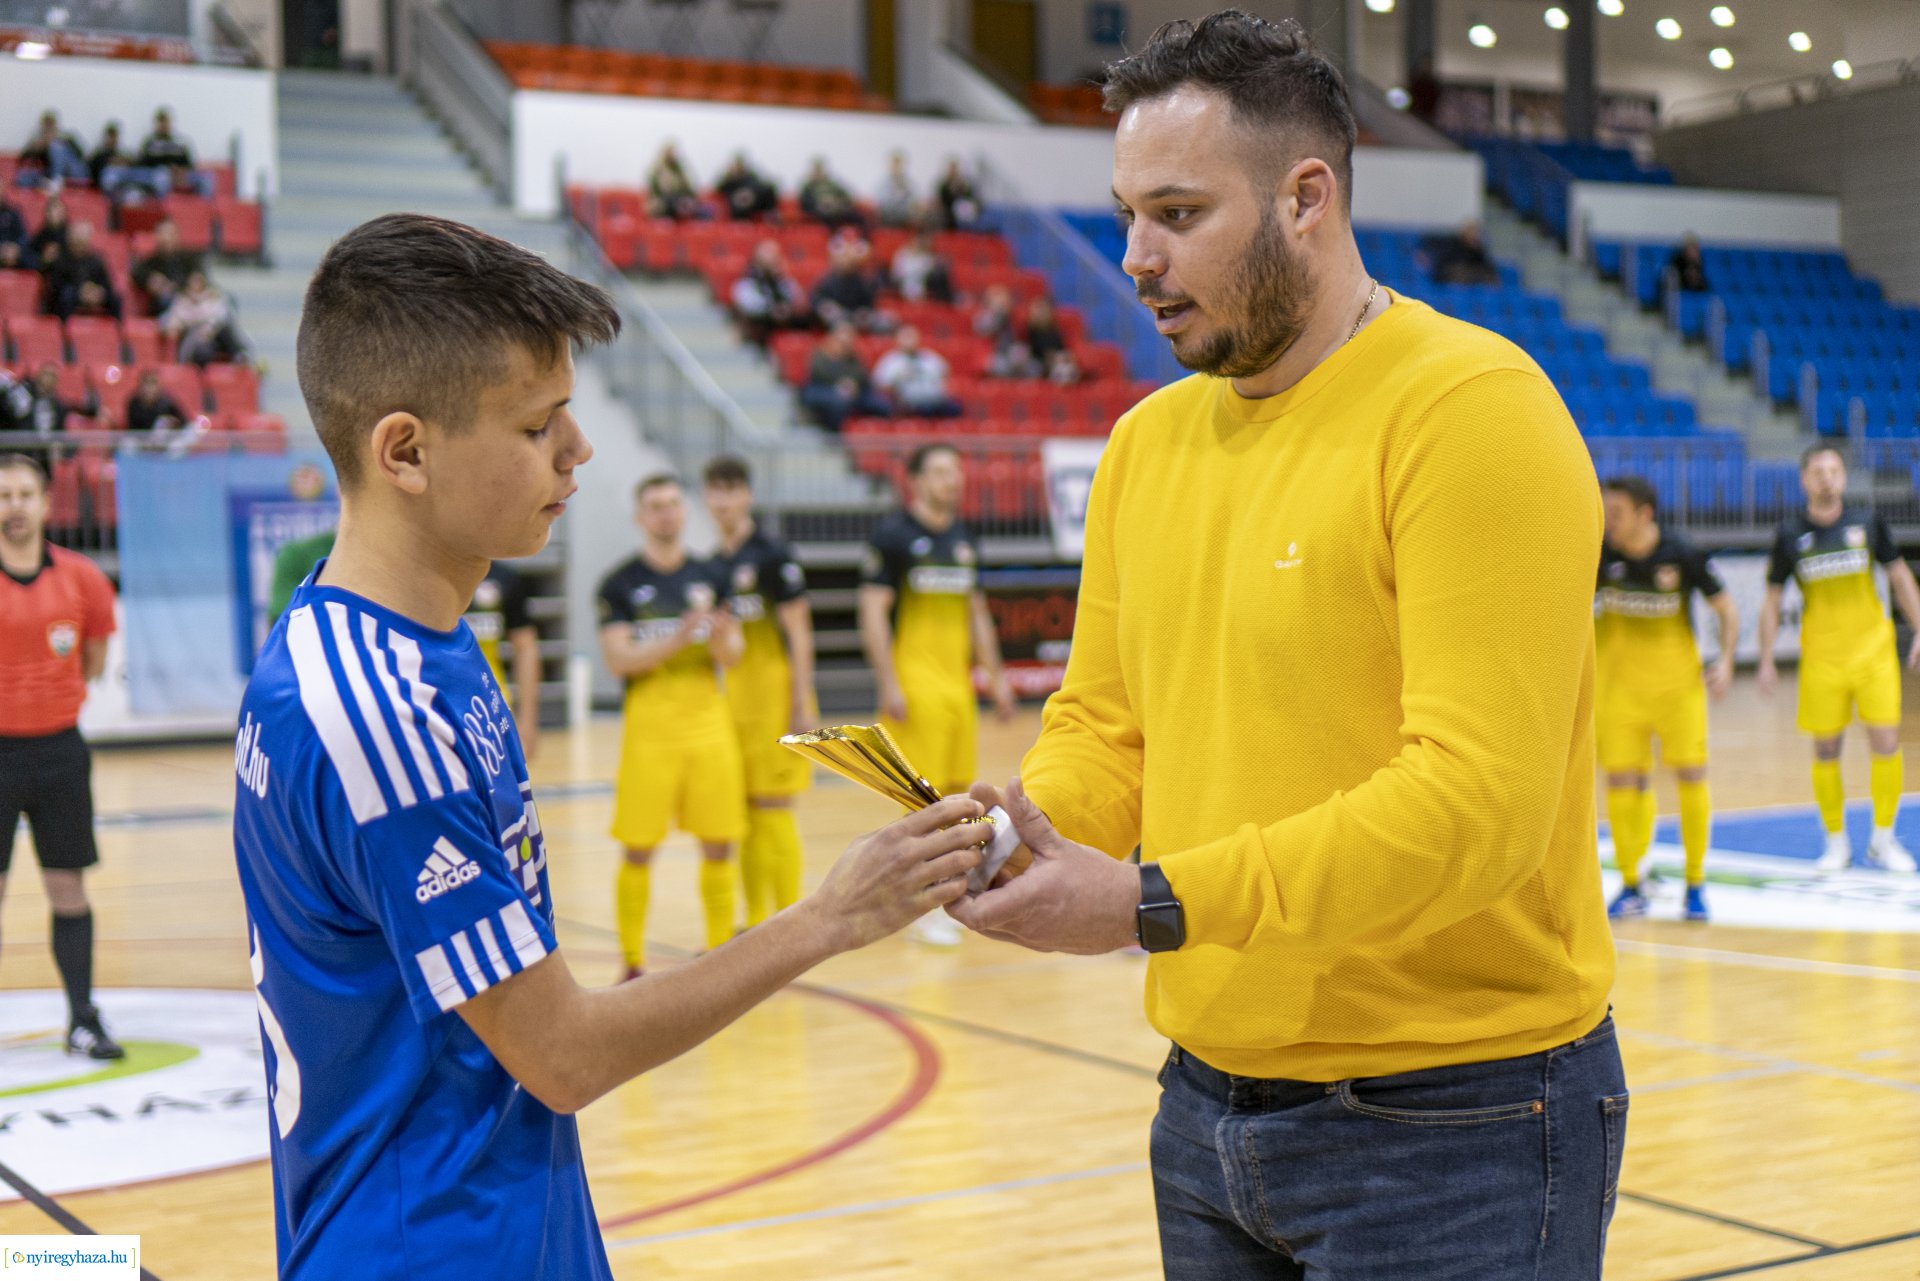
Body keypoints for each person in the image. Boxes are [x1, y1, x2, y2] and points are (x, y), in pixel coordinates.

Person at [944, 15, 1625, 1278]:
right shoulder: (1146, 446)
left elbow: (1476, 807)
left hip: (1457, 1121)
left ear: (1306, 197)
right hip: (1206, 1106)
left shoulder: (1471, 414)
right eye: (1127, 215)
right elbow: (1107, 722)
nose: (1136, 258)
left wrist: (1153, 902)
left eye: (1178, 214)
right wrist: (1021, 834)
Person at [234, 213, 987, 1280]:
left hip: (495, 1215)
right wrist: (833, 916)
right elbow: (564, 1056)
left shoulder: (376, 636)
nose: (578, 451)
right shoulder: (380, 716)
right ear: (404, 450)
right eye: (541, 426)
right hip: (435, 1245)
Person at [860, 442, 1016, 946]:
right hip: (915, 685)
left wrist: (995, 677)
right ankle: (917, 907)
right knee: (921, 803)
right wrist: (888, 681)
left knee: (956, 798)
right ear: (916, 480)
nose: (954, 479)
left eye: (957, 470)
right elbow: (872, 613)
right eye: (942, 471)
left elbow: (976, 613)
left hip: (956, 689)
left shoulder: (965, 538)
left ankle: (939, 897)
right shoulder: (894, 538)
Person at [598, 474, 748, 975]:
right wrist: (682, 637)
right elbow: (620, 660)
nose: (665, 514)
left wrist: (722, 636)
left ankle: (721, 952)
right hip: (650, 730)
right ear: (641, 518)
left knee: (719, 841)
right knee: (638, 847)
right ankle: (633, 962)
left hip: (708, 722)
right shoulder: (619, 584)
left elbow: (734, 653)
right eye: (655, 506)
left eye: (673, 505)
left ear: (684, 513)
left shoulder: (712, 574)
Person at [0, 453, 123, 1060]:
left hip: (59, 753)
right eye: (3, 495)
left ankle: (83, 1018)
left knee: (67, 888)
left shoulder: (81, 578)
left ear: (47, 503)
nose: (14, 506)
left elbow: (94, 659)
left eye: (25, 493)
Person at [1757, 444, 1920, 872]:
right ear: (1804, 480)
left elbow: (1900, 577)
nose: (1827, 477)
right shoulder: (1790, 534)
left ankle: (1883, 840)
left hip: (1874, 653)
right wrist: (1767, 657)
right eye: (1818, 471)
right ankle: (1836, 842)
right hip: (1822, 659)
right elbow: (1773, 600)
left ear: (1844, 478)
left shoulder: (1868, 522)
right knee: (1826, 748)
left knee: (1886, 742)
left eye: (1834, 470)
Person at [1595, 476, 1738, 922]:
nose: (1607, 522)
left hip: (1678, 689)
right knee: (1622, 782)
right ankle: (1633, 882)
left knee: (1691, 776)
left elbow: (1726, 610)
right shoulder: (1597, 555)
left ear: (1644, 514)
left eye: (1616, 513)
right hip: (1617, 691)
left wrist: (1727, 660)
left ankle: (1695, 884)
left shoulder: (1682, 553)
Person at [704, 456, 816, 926]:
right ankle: (755, 921)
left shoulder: (773, 554)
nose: (724, 501)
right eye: (715, 491)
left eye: (732, 490)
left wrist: (801, 701)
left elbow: (799, 631)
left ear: (747, 495)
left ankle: (789, 920)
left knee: (774, 806)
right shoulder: (712, 566)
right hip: (734, 703)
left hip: (776, 698)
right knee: (745, 810)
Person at [465, 561, 542, 761]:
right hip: (440, 701)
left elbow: (526, 647)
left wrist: (527, 722)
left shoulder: (504, 578)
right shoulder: (426, 574)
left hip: (493, 706)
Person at [798, 323, 888, 431]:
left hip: (853, 392)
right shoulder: (820, 354)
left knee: (881, 404)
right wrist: (841, 384)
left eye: (849, 338)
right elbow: (819, 373)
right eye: (842, 338)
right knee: (839, 400)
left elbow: (862, 376)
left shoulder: (853, 357)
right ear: (833, 337)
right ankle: (833, 433)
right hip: (822, 390)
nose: (846, 342)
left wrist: (852, 384)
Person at [729, 240, 811, 345]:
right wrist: (772, 310)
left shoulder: (784, 281)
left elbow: (797, 299)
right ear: (757, 261)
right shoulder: (747, 282)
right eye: (767, 261)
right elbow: (748, 304)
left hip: (782, 329)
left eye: (775, 260)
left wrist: (787, 308)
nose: (772, 264)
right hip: (757, 335)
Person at [872, 326, 962, 418]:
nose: (910, 341)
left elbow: (944, 372)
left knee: (955, 408)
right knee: (926, 411)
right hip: (908, 403)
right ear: (897, 340)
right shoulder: (890, 360)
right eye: (906, 337)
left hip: (934, 399)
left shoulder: (929, 357)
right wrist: (897, 382)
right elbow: (880, 384)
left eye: (912, 337)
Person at [161, 270, 246, 366]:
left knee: (225, 329)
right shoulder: (181, 301)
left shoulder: (213, 298)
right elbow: (176, 319)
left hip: (214, 335)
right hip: (194, 338)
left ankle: (240, 355)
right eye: (193, 282)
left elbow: (220, 316)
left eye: (198, 281)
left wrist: (210, 328)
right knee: (203, 350)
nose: (196, 285)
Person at [46, 223, 121, 322]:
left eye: (81, 242)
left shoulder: (96, 259)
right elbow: (57, 285)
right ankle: (64, 330)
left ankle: (115, 330)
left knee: (115, 298)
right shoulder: (61, 258)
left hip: (93, 294)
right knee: (66, 295)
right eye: (75, 242)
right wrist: (80, 291)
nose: (78, 246)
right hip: (71, 295)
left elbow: (107, 284)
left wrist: (99, 291)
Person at [810, 239, 886, 333]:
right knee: (836, 319)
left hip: (855, 316)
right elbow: (816, 299)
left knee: (883, 321)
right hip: (837, 316)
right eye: (842, 259)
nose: (845, 263)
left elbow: (868, 302)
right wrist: (825, 306)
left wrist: (864, 311)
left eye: (848, 260)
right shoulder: (826, 280)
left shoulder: (861, 281)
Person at [133, 218, 204, 312]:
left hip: (190, 298)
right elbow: (136, 272)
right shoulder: (152, 261)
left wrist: (198, 280)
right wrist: (150, 278)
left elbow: (199, 276)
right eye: (163, 234)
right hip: (168, 306)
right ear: (157, 237)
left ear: (177, 236)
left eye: (171, 234)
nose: (167, 238)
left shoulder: (188, 258)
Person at [137, 108, 212, 197]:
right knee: (161, 176)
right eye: (161, 121)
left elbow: (189, 163)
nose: (164, 124)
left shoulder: (180, 142)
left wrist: (180, 169)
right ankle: (164, 207)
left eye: (166, 121)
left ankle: (202, 209)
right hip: (158, 174)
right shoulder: (149, 142)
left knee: (206, 178)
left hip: (180, 174)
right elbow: (142, 164)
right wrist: (167, 168)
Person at [17, 111, 88, 187]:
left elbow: (81, 154)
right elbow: (22, 159)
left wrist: (60, 141)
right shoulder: (38, 139)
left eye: (51, 124)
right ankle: (51, 183)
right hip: (48, 172)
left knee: (56, 147)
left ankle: (56, 180)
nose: (49, 127)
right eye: (46, 124)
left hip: (72, 171)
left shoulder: (67, 136)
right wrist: (36, 149)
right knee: (22, 178)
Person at [1021, 296, 1081, 384]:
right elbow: (1025, 349)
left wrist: (1061, 356)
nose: (1041, 314)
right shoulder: (1027, 329)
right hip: (1036, 362)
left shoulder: (1056, 331)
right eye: (1038, 311)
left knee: (1066, 363)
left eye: (1044, 311)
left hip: (1056, 361)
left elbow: (1062, 347)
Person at [1426, 219, 1501, 286]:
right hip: (1451, 286)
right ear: (1464, 233)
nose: (1474, 237)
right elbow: (1442, 271)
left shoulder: (1479, 253)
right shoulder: (1452, 247)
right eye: (1471, 233)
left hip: (1473, 287)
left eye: (1476, 234)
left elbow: (1489, 271)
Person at [798, 157, 863, 232]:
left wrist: (840, 203)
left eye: (820, 170)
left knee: (858, 218)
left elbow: (847, 195)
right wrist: (819, 205)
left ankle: (860, 240)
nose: (818, 172)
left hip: (838, 209)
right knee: (828, 218)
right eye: (816, 170)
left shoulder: (832, 183)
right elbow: (804, 201)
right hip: (820, 211)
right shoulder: (808, 184)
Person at [889, 229, 952, 304]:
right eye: (917, 240)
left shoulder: (928, 258)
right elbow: (896, 275)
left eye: (921, 241)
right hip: (903, 286)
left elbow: (934, 271)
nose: (919, 243)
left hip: (923, 289)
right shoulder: (902, 254)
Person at [122, 370, 190, 434]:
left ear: (159, 387)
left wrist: (172, 424)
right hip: (141, 442)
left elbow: (183, 423)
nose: (148, 388)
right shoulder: (133, 404)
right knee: (128, 444)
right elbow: (133, 430)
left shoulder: (168, 403)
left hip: (167, 440)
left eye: (152, 384)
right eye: (145, 383)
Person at [714, 152, 777, 221]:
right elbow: (717, 188)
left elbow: (768, 189)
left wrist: (750, 194)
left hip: (754, 210)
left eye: (737, 167)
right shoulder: (728, 183)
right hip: (737, 216)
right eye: (733, 167)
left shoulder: (751, 180)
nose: (734, 170)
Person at [647, 143, 702, 221]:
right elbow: (655, 191)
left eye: (674, 153)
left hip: (680, 200)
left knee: (691, 206)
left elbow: (689, 190)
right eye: (670, 153)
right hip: (664, 201)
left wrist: (690, 197)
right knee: (665, 204)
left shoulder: (680, 171)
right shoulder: (658, 169)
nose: (673, 156)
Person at [876, 150, 920, 227]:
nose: (896, 166)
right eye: (894, 163)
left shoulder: (908, 183)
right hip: (887, 214)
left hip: (905, 215)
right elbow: (880, 200)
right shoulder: (883, 183)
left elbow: (914, 198)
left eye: (898, 163)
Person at [1663, 233, 1710, 304]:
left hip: (1693, 289)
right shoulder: (1677, 260)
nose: (1694, 250)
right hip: (1680, 287)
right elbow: (1674, 278)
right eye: (1691, 247)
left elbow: (1701, 279)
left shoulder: (1699, 261)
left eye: (1695, 248)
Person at [935, 158, 981, 230]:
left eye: (954, 168)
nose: (953, 171)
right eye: (951, 168)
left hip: (960, 209)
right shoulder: (943, 184)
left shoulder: (962, 183)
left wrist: (961, 189)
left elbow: (968, 197)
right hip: (947, 209)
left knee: (966, 208)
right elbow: (941, 197)